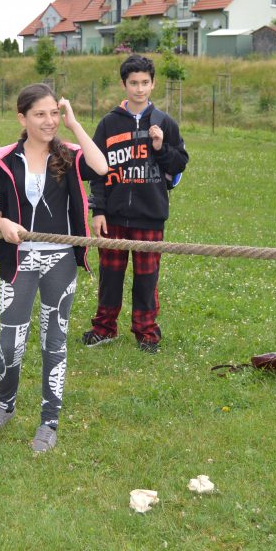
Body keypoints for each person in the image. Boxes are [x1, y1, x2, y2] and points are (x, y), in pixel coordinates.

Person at [0, 84, 109, 452]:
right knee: (11, 342)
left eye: (54, 113)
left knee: (55, 342)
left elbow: (102, 167)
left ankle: (49, 421)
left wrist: (74, 124)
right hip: (18, 261)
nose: (49, 121)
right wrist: (2, 224)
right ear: (22, 118)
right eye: (40, 114)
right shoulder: (1, 159)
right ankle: (5, 406)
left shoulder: (69, 155)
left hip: (60, 261)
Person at [80, 54, 189, 354]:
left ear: (153, 84)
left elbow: (179, 164)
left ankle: (146, 331)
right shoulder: (109, 123)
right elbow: (96, 170)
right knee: (110, 275)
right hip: (113, 216)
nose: (139, 89)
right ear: (124, 85)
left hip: (150, 215)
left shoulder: (165, 122)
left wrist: (160, 147)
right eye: (133, 83)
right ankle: (104, 328)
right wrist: (98, 210)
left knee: (146, 278)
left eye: (144, 83)